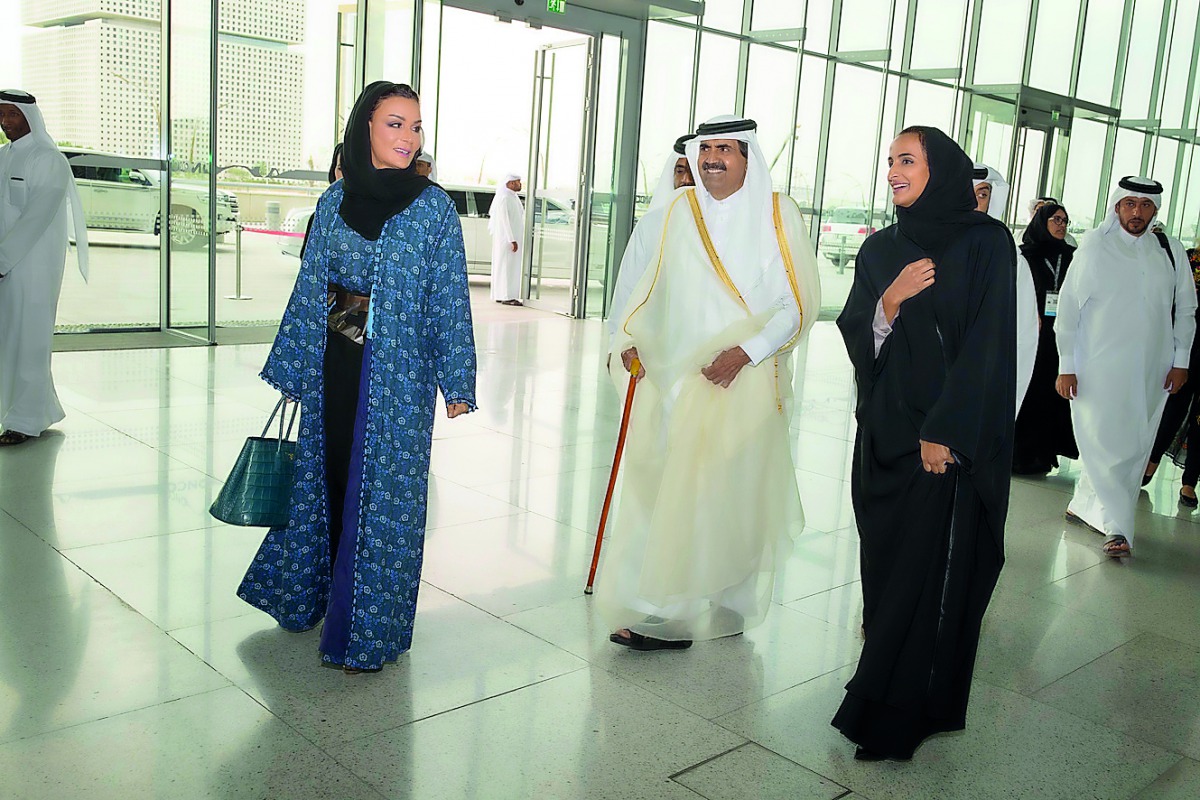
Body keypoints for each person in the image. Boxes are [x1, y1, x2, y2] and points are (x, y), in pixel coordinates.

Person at [237, 81, 477, 673]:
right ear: (364, 128)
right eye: (395, 124)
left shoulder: (433, 208)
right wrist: (296, 365)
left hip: (399, 377)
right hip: (336, 364)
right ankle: (313, 595)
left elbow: (448, 298)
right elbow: (312, 285)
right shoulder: (333, 202)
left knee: (386, 497)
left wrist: (457, 379)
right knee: (331, 478)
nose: (409, 138)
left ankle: (368, 630)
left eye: (416, 126)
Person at [597, 115, 821, 651]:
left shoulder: (777, 214)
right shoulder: (678, 211)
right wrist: (627, 337)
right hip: (677, 380)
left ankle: (732, 601)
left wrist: (744, 353)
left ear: (748, 157)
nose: (713, 159)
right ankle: (666, 611)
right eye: (706, 149)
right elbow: (645, 288)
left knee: (736, 492)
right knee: (675, 490)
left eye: (726, 149)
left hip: (742, 380)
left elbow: (797, 304)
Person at [834, 126, 1016, 761]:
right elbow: (858, 330)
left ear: (940, 169)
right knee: (888, 577)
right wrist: (890, 300)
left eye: (906, 160)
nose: (893, 171)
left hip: (940, 447)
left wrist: (945, 430)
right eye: (889, 161)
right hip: (885, 438)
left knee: (929, 576)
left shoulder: (985, 243)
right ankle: (895, 693)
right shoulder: (882, 249)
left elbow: (990, 345)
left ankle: (898, 713)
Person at [1056, 176, 1197, 557]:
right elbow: (1069, 308)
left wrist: (1180, 361)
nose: (1137, 213)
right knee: (1101, 439)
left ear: (1155, 211)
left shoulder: (1170, 250)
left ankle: (1086, 504)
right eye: (1130, 204)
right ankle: (1118, 528)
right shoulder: (1094, 247)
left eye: (1145, 206)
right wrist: (1066, 364)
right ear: (1117, 206)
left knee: (1133, 443)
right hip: (1096, 365)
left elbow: (1186, 309)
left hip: (1152, 368)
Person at [0, 89, 89, 447]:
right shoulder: (3, 156)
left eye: (12, 115)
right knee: (9, 338)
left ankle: (26, 420)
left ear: (29, 116)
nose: (6, 122)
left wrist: (3, 259)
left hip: (34, 266)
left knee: (31, 339)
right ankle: (35, 408)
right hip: (7, 263)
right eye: (2, 115)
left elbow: (36, 218)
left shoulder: (49, 159)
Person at [606, 133, 695, 344]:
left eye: (693, 173)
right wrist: (616, 343)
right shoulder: (652, 224)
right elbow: (628, 285)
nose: (685, 180)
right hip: (655, 340)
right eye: (680, 171)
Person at [1012, 202, 1079, 475]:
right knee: (1029, 391)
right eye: (1056, 220)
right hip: (1032, 332)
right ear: (1042, 222)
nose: (1061, 225)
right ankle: (1018, 454)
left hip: (1060, 334)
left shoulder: (1073, 257)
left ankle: (1043, 453)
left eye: (1065, 221)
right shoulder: (1026, 255)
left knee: (1052, 396)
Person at [973, 163, 1037, 407]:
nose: (975, 202)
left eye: (982, 194)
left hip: (986, 373)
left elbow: (1024, 330)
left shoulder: (1008, 254)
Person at [1143, 244, 1200, 506]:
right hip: (1187, 347)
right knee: (1173, 406)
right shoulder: (1189, 258)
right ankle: (1150, 462)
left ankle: (1190, 482)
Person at [489, 172, 523, 306]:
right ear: (511, 183)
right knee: (506, 267)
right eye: (518, 182)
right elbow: (505, 221)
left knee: (508, 267)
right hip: (507, 240)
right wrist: (512, 239)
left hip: (512, 239)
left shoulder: (513, 197)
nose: (520, 184)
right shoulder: (504, 198)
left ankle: (502, 294)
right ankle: (506, 296)